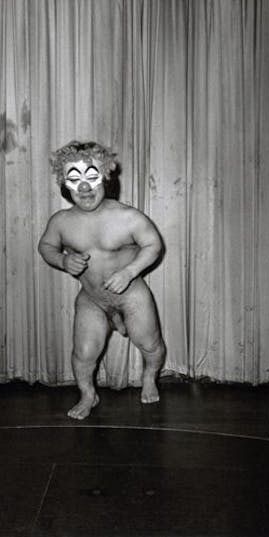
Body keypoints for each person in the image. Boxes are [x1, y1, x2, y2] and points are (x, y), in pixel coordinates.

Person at [37, 140, 167, 420]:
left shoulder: (127, 217)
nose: (84, 186)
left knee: (150, 344)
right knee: (83, 354)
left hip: (131, 296)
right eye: (75, 179)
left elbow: (153, 245)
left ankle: (149, 376)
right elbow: (45, 247)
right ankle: (88, 394)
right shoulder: (61, 222)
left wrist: (129, 272)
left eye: (91, 176)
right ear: (64, 183)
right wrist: (62, 260)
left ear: (106, 175)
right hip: (92, 299)